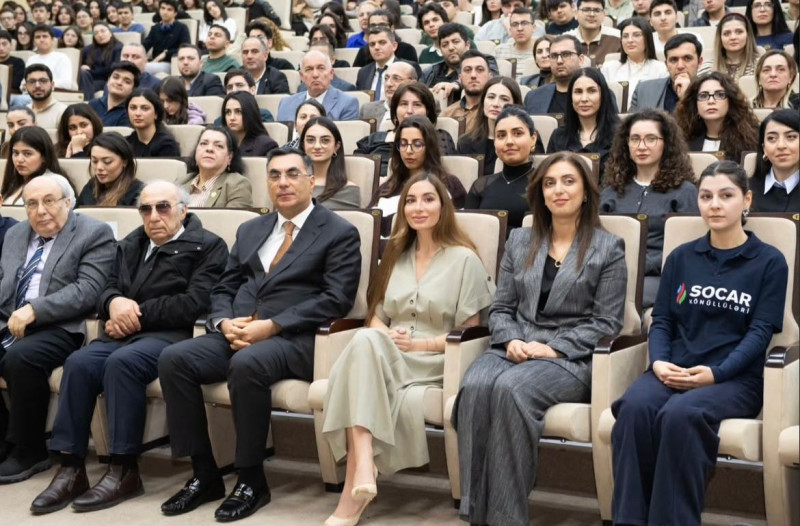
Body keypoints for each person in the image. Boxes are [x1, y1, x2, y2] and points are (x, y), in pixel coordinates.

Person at [157, 147, 362, 520]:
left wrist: (272, 325)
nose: (283, 183)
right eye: (274, 175)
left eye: (292, 174)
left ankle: (251, 479)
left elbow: (336, 299)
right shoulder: (252, 229)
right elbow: (224, 285)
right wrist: (223, 321)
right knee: (175, 358)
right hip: (239, 330)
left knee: (247, 364)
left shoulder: (339, 232)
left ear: (311, 180)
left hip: (297, 338)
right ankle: (204, 473)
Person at [30, 180, 228, 512]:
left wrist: (133, 314)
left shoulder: (207, 245)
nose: (154, 216)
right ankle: (71, 467)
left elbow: (196, 302)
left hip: (173, 335)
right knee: (78, 363)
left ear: (183, 210)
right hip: (124, 333)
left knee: (123, 363)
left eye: (163, 207)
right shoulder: (131, 243)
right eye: (145, 209)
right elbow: (106, 288)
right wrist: (114, 302)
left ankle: (124, 469)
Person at [611, 160, 788, 526]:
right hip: (673, 368)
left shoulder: (770, 261)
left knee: (681, 415)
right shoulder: (681, 257)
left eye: (726, 196)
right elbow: (662, 321)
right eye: (706, 197)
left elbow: (760, 333)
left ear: (747, 200)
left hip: (735, 380)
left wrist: (715, 373)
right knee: (633, 407)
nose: (715, 205)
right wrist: (659, 362)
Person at [456, 150, 627, 526]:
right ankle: (475, 510)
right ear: (540, 194)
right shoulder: (520, 240)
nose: (558, 190)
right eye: (550, 183)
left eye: (568, 181)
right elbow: (501, 308)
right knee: (476, 383)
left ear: (586, 192)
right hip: (515, 346)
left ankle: (505, 517)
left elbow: (606, 322)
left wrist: (553, 348)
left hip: (570, 358)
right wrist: (511, 340)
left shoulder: (608, 248)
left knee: (511, 389)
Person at [321, 172, 495, 526]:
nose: (418, 207)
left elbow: (470, 332)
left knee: (361, 356)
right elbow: (375, 317)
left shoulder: (465, 259)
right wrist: (387, 335)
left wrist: (419, 343)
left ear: (444, 206)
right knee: (367, 339)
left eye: (428, 199)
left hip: (435, 360)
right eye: (411, 201)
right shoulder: (395, 256)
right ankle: (364, 464)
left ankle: (356, 484)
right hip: (388, 355)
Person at [0, 175, 115, 484]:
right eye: (32, 203)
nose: (40, 211)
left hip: (61, 325)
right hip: (9, 318)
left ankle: (30, 449)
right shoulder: (16, 233)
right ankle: (3, 441)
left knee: (20, 358)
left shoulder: (94, 232)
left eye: (49, 201)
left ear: (68, 202)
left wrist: (35, 309)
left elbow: (87, 290)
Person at [601, 109, 697, 307]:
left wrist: (643, 265)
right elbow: (596, 238)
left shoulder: (684, 191)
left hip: (660, 276)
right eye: (635, 139)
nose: (641, 146)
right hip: (611, 273)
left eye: (651, 139)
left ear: (666, 143)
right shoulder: (611, 191)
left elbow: (687, 247)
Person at [372, 115, 466, 236]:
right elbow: (371, 231)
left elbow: (459, 229)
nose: (408, 151)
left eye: (417, 144)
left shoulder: (450, 184)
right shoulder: (386, 189)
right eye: (403, 144)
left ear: (430, 147)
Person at [356, 81, 457, 178]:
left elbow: (440, 174)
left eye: (417, 105)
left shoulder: (439, 138)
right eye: (404, 104)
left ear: (428, 111)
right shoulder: (372, 140)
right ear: (395, 110)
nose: (409, 111)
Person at [464, 106, 537, 230]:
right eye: (501, 135)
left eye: (518, 134)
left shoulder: (543, 185)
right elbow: (468, 231)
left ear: (533, 139)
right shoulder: (481, 186)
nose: (509, 141)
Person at [548, 68, 619, 175]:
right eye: (578, 92)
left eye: (592, 91)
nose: (584, 99)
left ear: (603, 95)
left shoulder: (620, 135)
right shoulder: (558, 136)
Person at [674, 71, 759, 160]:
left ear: (730, 101)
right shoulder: (682, 140)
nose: (711, 101)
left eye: (720, 95)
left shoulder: (751, 139)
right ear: (695, 105)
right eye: (703, 96)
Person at [459, 77, 523, 176]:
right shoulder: (465, 143)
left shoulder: (524, 141)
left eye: (504, 99)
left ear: (515, 105)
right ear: (483, 101)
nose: (496, 104)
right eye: (491, 97)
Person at [601, 17, 668, 108]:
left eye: (636, 35)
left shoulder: (661, 69)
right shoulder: (609, 67)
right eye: (625, 36)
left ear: (647, 39)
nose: (630, 40)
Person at [276, 50, 359, 121]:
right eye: (309, 69)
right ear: (301, 76)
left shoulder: (347, 103)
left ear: (331, 74)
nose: (315, 74)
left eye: (321, 68)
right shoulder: (286, 104)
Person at [181, 126, 253, 208]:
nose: (209, 149)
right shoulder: (181, 182)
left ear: (229, 157)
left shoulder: (238, 185)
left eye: (219, 146)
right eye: (204, 143)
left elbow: (234, 216)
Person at [630, 33, 703, 112]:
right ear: (666, 64)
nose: (680, 66)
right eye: (674, 60)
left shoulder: (710, 91)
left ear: (699, 62)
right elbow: (632, 120)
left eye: (687, 58)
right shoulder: (643, 90)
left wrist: (686, 97)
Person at [299, 116, 360, 209]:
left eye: (325, 140)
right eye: (310, 140)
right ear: (303, 145)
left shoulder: (348, 190)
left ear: (336, 146)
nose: (317, 146)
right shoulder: (291, 185)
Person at [76, 132, 145, 207]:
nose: (99, 167)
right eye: (94, 161)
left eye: (107, 162)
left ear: (125, 162)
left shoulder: (138, 193)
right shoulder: (90, 187)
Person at [750, 109, 799, 213]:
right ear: (764, 148)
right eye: (772, 138)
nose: (781, 146)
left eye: (791, 137)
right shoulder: (745, 190)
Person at [1, 127, 64, 206]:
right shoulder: (13, 182)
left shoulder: (55, 184)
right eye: (16, 153)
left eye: (27, 154)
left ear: (44, 157)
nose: (19, 159)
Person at [524, 35, 586, 115]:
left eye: (566, 54)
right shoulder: (533, 98)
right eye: (554, 56)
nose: (559, 61)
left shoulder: (596, 93)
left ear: (581, 60)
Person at [442, 50, 494, 135]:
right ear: (460, 78)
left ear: (490, 77)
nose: (473, 75)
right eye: (467, 70)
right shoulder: (447, 114)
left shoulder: (495, 111)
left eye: (480, 70)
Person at [702, 12, 761, 81]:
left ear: (748, 35)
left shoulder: (761, 66)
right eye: (726, 33)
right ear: (720, 38)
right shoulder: (708, 68)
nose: (733, 37)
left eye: (739, 32)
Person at [360, 61, 417, 129]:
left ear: (412, 82)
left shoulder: (416, 110)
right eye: (386, 78)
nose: (388, 84)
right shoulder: (367, 109)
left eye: (396, 79)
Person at [126, 89, 181, 157]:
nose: (137, 113)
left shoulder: (167, 145)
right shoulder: (126, 143)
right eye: (133, 108)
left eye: (145, 108)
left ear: (156, 114)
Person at [222, 91, 278, 157]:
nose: (232, 118)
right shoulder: (220, 142)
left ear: (250, 113)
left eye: (238, 112)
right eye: (228, 112)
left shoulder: (266, 145)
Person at [565, 0, 621, 67]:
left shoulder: (618, 37)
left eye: (597, 10)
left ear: (604, 15)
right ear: (576, 14)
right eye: (586, 10)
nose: (592, 14)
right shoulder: (566, 40)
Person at [143, 0, 191, 75]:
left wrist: (166, 53)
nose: (165, 12)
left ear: (175, 13)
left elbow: (186, 48)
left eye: (169, 9)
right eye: (163, 8)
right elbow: (145, 45)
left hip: (172, 63)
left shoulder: (182, 28)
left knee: (144, 68)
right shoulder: (155, 28)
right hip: (155, 62)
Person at [79, 22, 123, 100]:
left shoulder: (118, 47)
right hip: (89, 79)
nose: (99, 35)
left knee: (86, 84)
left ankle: (87, 103)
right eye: (96, 33)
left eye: (103, 31)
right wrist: (82, 67)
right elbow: (80, 66)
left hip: (106, 80)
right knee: (83, 73)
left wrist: (91, 71)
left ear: (110, 33)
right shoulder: (87, 49)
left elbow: (114, 68)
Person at [89, 61, 140, 127]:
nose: (119, 83)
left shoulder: (131, 113)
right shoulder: (93, 104)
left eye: (127, 81)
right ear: (108, 81)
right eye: (116, 77)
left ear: (133, 89)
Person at [495, 8, 540, 78]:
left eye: (524, 23)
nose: (519, 28)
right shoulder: (499, 51)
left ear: (534, 27)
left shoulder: (541, 51)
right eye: (515, 24)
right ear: (510, 30)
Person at [27, 25, 73, 90]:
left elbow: (66, 83)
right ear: (34, 42)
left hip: (52, 93)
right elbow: (24, 82)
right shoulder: (31, 59)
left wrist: (41, 84)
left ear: (52, 40)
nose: (41, 40)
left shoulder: (62, 58)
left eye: (45, 36)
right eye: (38, 37)